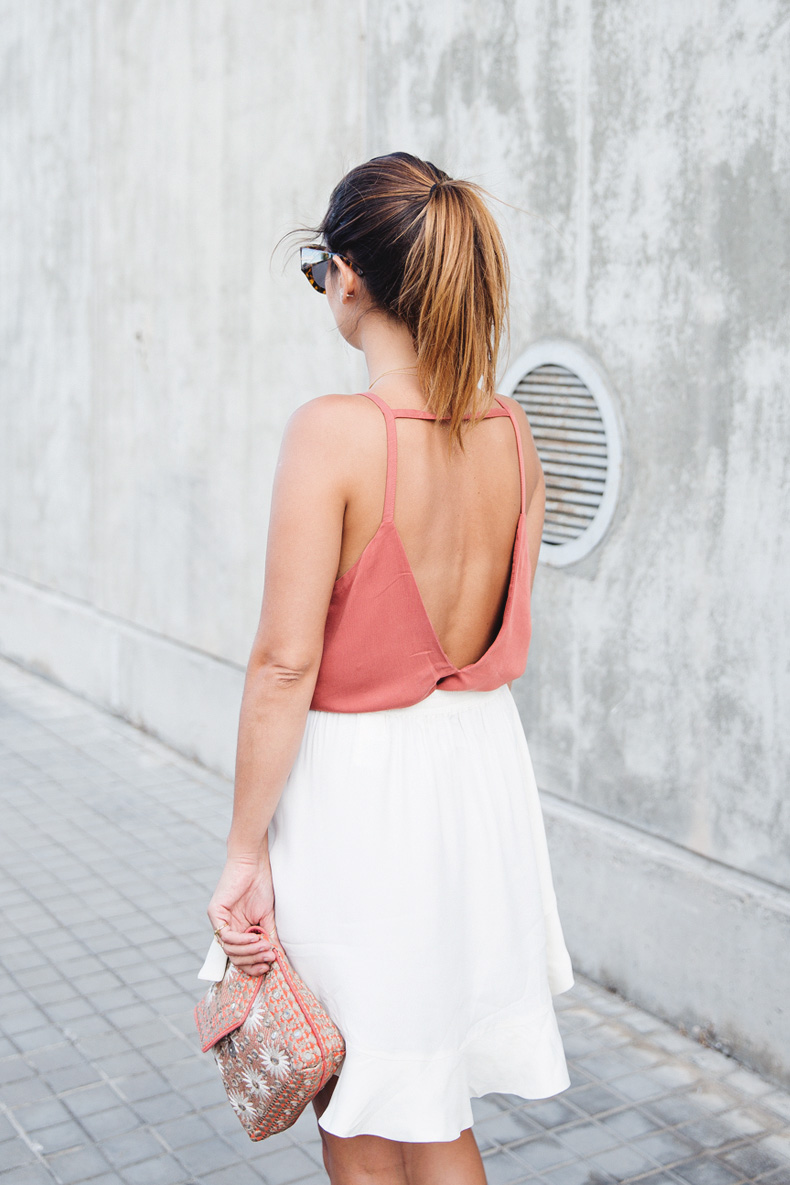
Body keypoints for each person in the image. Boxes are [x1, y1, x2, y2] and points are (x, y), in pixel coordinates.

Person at [205, 151, 574, 1185]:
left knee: (357, 1099)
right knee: (430, 1100)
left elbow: (285, 664)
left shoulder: (334, 434)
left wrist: (242, 852)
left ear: (350, 276)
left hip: (359, 799)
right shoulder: (515, 434)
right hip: (474, 782)